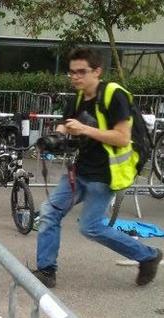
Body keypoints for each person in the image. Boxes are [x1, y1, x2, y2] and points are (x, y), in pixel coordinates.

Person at [34, 47, 162, 288]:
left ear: (97, 71)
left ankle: (148, 256)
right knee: (49, 212)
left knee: (90, 227)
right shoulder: (79, 96)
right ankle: (46, 270)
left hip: (105, 175)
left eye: (81, 72)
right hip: (80, 171)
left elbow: (122, 138)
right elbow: (66, 123)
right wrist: (55, 137)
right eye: (71, 73)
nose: (75, 77)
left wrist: (84, 130)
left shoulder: (114, 95)